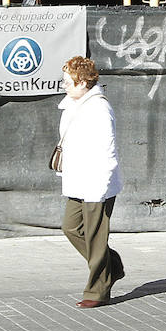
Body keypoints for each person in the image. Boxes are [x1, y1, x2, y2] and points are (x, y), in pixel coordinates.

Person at [56, 56, 125, 308]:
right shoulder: (72, 104)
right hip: (77, 181)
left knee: (96, 238)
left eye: (68, 81)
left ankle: (98, 291)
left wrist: (101, 188)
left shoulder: (98, 109)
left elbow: (107, 151)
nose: (64, 85)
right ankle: (111, 265)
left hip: (97, 184)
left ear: (83, 82)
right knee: (71, 227)